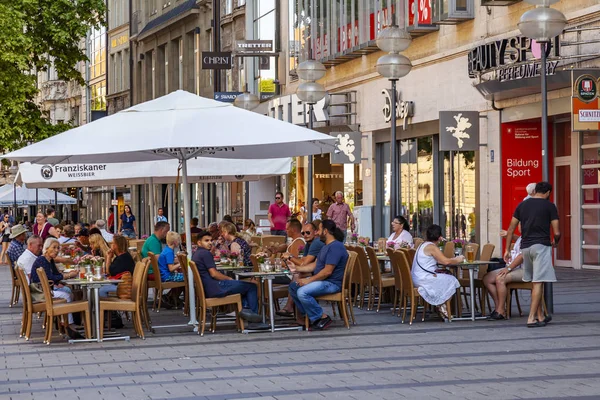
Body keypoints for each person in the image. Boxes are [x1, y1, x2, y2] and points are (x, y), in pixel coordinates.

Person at [504, 181, 559, 328]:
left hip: (526, 248)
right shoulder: (550, 206)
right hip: (541, 246)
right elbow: (557, 231)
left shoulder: (523, 205)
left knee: (534, 282)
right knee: (538, 282)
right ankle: (531, 318)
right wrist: (556, 241)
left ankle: (540, 316)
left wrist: (507, 250)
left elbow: (511, 229)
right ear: (547, 193)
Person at [288, 220, 349, 330]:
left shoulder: (335, 247)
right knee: (294, 287)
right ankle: (311, 316)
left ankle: (321, 317)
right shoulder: (326, 246)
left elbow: (327, 271)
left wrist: (309, 280)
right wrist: (296, 268)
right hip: (323, 281)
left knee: (302, 292)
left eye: (319, 230)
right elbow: (314, 266)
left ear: (325, 231)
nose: (316, 233)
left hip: (331, 283)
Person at [192, 231, 262, 323]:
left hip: (208, 288)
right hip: (216, 288)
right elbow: (214, 274)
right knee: (251, 286)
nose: (210, 242)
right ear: (199, 243)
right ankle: (253, 321)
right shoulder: (206, 254)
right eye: (206, 240)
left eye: (211, 240)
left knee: (243, 287)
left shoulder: (197, 254)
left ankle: (246, 310)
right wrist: (229, 279)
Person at [30, 238, 81, 338]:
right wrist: (67, 276)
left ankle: (64, 322)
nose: (56, 250)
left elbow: (56, 275)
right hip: (41, 293)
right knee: (66, 295)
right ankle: (68, 325)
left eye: (58, 248)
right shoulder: (42, 260)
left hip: (45, 290)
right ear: (46, 248)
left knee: (68, 291)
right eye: (54, 247)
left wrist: (69, 275)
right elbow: (51, 277)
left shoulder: (49, 260)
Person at [411, 224, 463, 320]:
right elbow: (445, 261)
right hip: (424, 279)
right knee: (452, 280)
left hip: (417, 278)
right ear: (440, 237)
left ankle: (442, 304)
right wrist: (458, 259)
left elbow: (439, 261)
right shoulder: (432, 247)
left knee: (447, 276)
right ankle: (443, 306)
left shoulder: (422, 245)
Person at [271, 219, 306, 317]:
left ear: (293, 230)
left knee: (260, 279)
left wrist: (271, 261)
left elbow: (292, 262)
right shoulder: (295, 241)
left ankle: (261, 310)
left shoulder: (298, 242)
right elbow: (286, 247)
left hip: (290, 275)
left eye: (287, 229)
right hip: (289, 274)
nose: (286, 231)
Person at [484, 236, 524, 321]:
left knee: (500, 278)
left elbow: (522, 256)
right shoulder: (521, 237)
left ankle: (500, 311)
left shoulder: (530, 236)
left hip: (524, 269)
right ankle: (499, 307)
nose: (519, 225)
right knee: (487, 278)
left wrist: (508, 268)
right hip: (513, 267)